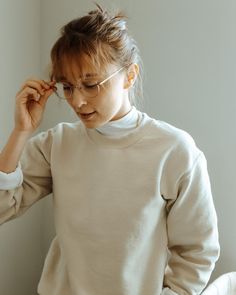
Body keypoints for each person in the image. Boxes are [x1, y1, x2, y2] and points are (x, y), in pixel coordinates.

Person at [0, 4, 220, 295]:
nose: (77, 101)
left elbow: (198, 252)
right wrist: (21, 132)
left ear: (129, 76)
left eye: (90, 85)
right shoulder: (57, 144)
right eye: (67, 87)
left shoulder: (174, 151)